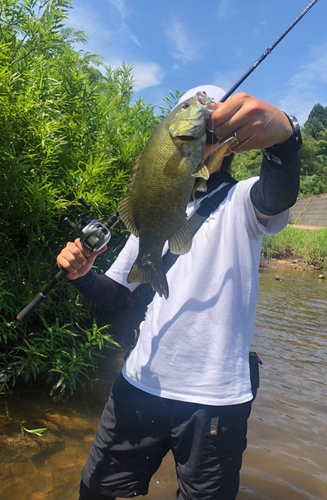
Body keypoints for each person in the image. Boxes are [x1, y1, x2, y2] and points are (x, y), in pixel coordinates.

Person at [56, 85, 302, 500]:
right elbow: (115, 294)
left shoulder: (243, 200)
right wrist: (81, 275)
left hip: (216, 400)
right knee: (95, 491)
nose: (204, 137)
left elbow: (278, 192)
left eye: (214, 127)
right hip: (139, 383)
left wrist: (286, 138)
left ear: (229, 143)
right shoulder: (154, 207)